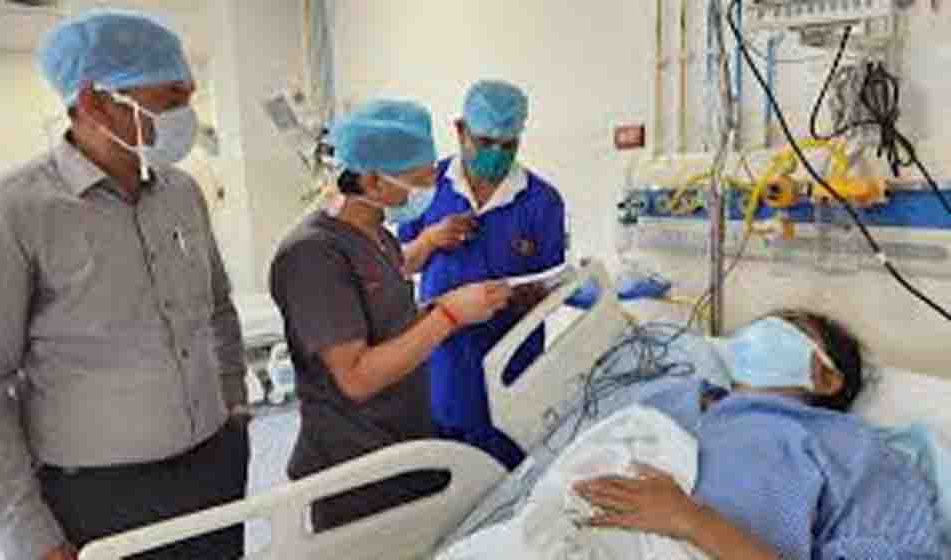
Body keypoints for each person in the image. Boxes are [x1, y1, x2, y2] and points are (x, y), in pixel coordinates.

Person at [0, 10, 250, 560]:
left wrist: (234, 411)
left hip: (214, 469)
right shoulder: (5, 218)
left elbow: (218, 310)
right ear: (94, 102)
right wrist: (31, 538)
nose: (187, 115)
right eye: (170, 98)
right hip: (99, 496)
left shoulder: (182, 193)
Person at [269, 99, 512, 532]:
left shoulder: (376, 235)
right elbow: (356, 377)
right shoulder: (313, 255)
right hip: (354, 467)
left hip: (403, 444)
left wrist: (440, 303)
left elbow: (388, 323)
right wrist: (448, 316)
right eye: (418, 179)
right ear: (371, 181)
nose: (429, 188)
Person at [572, 310, 942, 559]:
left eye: (791, 327)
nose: (764, 327)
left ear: (828, 378)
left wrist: (692, 521)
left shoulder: (853, 447)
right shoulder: (680, 403)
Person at [397, 80, 566, 470]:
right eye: (486, 142)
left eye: (508, 145)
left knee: (507, 472)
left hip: (512, 363)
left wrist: (530, 296)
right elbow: (399, 266)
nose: (496, 154)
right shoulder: (426, 188)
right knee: (442, 470)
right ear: (460, 130)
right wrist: (429, 240)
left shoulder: (542, 201)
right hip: (443, 359)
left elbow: (552, 280)